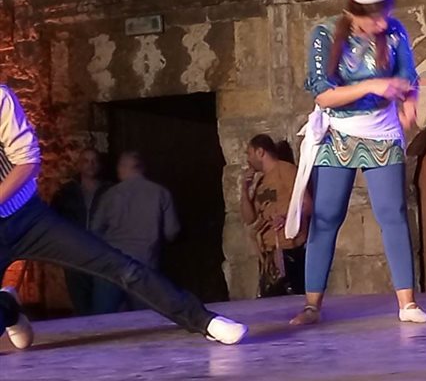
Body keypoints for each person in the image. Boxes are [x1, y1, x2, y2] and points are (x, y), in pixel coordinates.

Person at [0, 84, 245, 349]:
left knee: (120, 267)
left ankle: (203, 321)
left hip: (27, 219)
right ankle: (8, 308)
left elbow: (27, 162)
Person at [285, 0, 426, 325]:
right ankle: (312, 305)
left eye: (385, 15)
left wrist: (409, 103)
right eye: (375, 18)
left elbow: (408, 78)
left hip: (382, 131)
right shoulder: (324, 34)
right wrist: (373, 86)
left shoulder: (395, 32)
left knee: (393, 213)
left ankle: (408, 304)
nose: (382, 24)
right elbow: (323, 94)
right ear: (355, 12)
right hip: (338, 132)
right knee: (326, 216)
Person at [91, 150, 182, 314]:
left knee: (103, 319)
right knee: (144, 319)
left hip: (111, 263)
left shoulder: (110, 195)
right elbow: (171, 231)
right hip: (145, 264)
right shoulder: (160, 193)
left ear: (124, 167)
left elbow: (94, 230)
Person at [241, 134, 309, 297]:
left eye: (249, 153)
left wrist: (287, 218)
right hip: (268, 255)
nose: (248, 159)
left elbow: (307, 204)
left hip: (289, 249)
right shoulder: (261, 182)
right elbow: (249, 219)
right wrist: (244, 189)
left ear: (260, 152)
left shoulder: (286, 170)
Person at [50, 146, 113, 315]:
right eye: (86, 161)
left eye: (94, 161)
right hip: (74, 251)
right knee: (80, 301)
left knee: (103, 303)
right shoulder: (66, 192)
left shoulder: (111, 191)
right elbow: (54, 219)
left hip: (103, 250)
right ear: (79, 165)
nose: (90, 165)